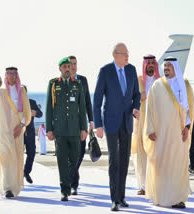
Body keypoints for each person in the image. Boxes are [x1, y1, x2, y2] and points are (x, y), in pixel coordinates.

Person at [93, 43, 140, 211]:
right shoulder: (105, 71)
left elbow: (136, 95)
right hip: (111, 122)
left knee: (124, 160)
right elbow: (97, 100)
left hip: (127, 122)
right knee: (114, 160)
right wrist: (98, 125)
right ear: (115, 55)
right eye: (124, 54)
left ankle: (122, 196)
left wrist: (136, 107)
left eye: (128, 53)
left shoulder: (131, 70)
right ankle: (114, 199)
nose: (128, 56)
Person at [144, 57, 194, 209]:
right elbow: (149, 109)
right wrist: (150, 129)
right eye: (164, 66)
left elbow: (190, 109)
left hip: (179, 135)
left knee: (178, 167)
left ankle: (178, 198)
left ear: (174, 67)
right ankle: (161, 196)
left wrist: (187, 128)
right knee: (161, 166)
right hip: (160, 135)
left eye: (168, 66)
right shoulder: (156, 85)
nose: (166, 68)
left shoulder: (184, 84)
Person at [46, 57, 87, 202]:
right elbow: (49, 109)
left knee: (75, 158)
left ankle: (69, 182)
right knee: (62, 160)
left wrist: (84, 128)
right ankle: (64, 190)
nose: (67, 69)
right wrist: (49, 129)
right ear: (60, 69)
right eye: (64, 67)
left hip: (75, 129)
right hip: (60, 130)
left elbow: (82, 109)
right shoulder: (53, 85)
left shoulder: (77, 84)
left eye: (69, 66)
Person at [0, 67, 31, 198]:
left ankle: (14, 186)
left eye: (14, 74)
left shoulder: (22, 91)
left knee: (16, 158)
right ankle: (7, 188)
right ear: (6, 76)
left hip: (17, 129)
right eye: (9, 74)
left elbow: (27, 110)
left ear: (16, 75)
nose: (12, 76)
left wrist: (21, 125)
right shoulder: (1, 92)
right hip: (4, 130)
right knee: (6, 158)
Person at [131, 54, 159, 195]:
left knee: (154, 153)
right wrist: (138, 97)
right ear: (144, 65)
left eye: (152, 63)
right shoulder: (138, 81)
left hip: (156, 121)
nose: (150, 66)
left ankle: (155, 184)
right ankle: (142, 186)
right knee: (141, 154)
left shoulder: (159, 81)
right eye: (148, 64)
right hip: (141, 122)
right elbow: (129, 98)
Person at [68, 56, 93, 195]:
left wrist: (91, 120)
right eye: (70, 64)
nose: (73, 66)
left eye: (75, 63)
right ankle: (74, 185)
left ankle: (72, 175)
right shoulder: (62, 81)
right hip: (67, 124)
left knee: (81, 153)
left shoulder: (83, 80)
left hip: (81, 123)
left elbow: (88, 101)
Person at [23, 85, 43, 184]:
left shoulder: (32, 102)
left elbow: (40, 114)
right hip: (18, 133)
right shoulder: (14, 103)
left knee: (31, 153)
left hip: (29, 132)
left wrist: (35, 112)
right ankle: (17, 175)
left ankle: (26, 172)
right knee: (17, 155)